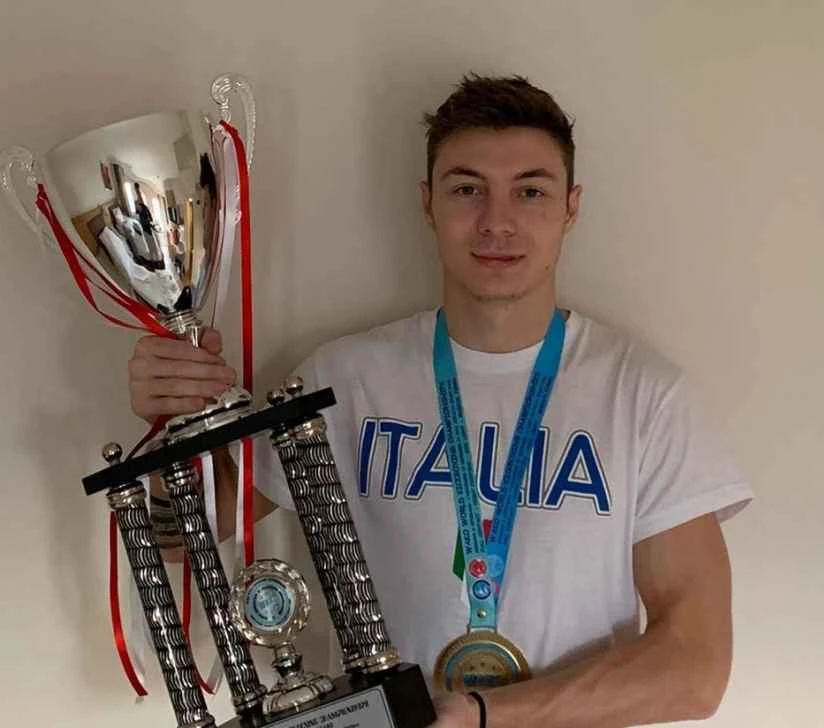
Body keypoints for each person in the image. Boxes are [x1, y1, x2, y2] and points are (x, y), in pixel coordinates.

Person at [127, 74, 753, 728]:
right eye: (467, 189)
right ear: (428, 203)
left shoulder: (642, 395)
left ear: (571, 208)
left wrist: (483, 715)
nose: (497, 221)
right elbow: (184, 540)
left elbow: (695, 670)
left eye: (531, 191)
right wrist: (170, 423)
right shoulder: (344, 380)